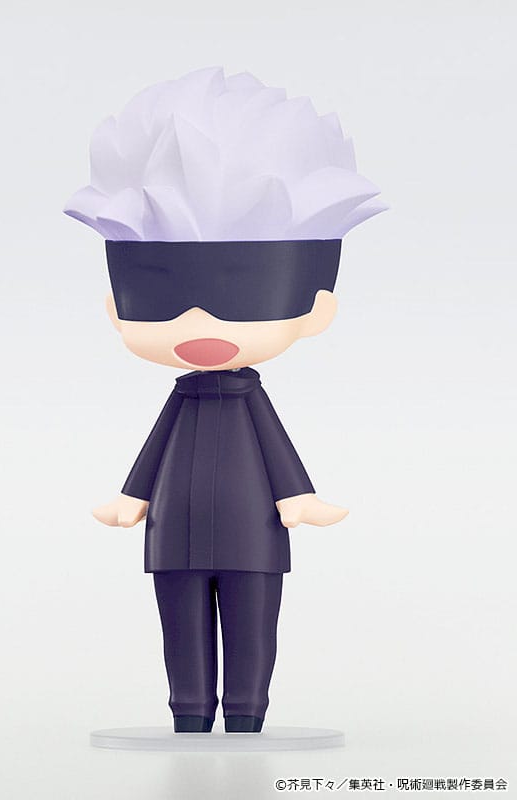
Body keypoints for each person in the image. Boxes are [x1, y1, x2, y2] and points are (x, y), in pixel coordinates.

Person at [65, 67, 386, 733]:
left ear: (317, 310)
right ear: (116, 308)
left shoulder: (247, 403)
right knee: (179, 626)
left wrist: (297, 497)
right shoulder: (184, 403)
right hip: (174, 535)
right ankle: (189, 712)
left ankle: (245, 712)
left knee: (252, 624)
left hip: (253, 534)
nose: (200, 321)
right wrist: (131, 497)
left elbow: (275, 451)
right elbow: (156, 452)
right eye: (161, 295)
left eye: (241, 292)